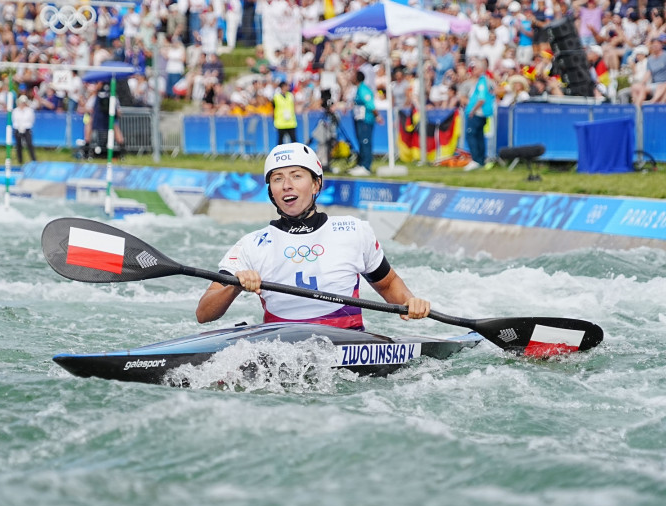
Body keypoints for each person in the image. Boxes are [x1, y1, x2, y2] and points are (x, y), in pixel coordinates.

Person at [195, 142, 431, 328]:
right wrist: (235, 286)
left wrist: (410, 302)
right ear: (271, 193)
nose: (287, 185)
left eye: (297, 175)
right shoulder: (251, 245)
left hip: (348, 351)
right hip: (283, 356)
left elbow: (388, 284)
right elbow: (204, 313)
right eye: (278, 179)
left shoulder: (355, 230)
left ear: (316, 184)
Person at [350, 70, 382, 176]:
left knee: (365, 142)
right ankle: (361, 163)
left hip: (366, 120)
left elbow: (370, 104)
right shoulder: (358, 89)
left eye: (353, 75)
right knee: (361, 142)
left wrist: (377, 116)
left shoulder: (364, 89)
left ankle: (366, 166)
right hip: (359, 119)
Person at [465, 58, 494, 170]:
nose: (472, 70)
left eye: (475, 68)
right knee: (479, 136)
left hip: (477, 113)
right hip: (481, 113)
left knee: (471, 135)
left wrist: (472, 110)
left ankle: (476, 160)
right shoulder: (483, 81)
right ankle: (481, 160)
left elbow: (481, 99)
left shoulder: (482, 82)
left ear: (481, 69)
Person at [12, 95, 36, 164]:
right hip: (17, 129)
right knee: (18, 145)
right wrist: (19, 127)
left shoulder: (29, 111)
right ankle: (20, 160)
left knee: (29, 144)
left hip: (27, 129)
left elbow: (31, 120)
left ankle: (33, 160)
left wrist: (24, 126)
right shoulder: (15, 111)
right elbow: (14, 120)